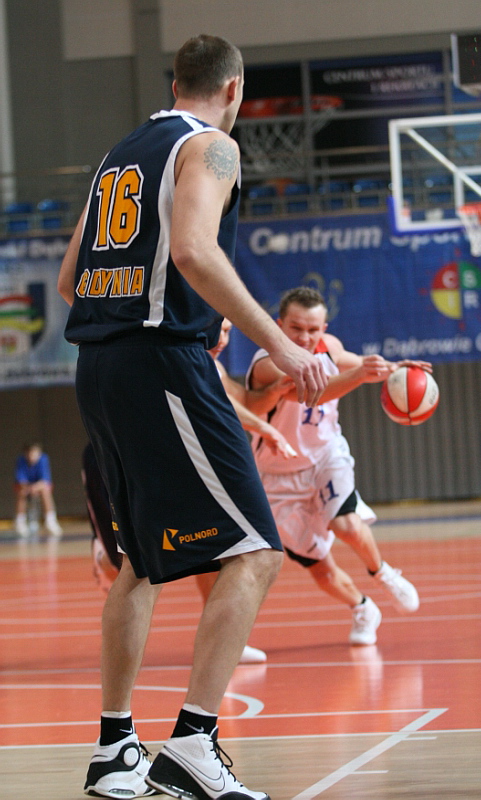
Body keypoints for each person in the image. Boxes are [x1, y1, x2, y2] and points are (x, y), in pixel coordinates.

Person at [58, 34, 326, 800]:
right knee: (257, 551)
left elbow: (72, 278)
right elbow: (193, 252)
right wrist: (281, 346)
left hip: (98, 366)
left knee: (141, 564)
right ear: (233, 89)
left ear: (176, 83)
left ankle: (116, 751)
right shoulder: (211, 146)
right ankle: (193, 743)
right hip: (159, 366)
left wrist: (165, 313)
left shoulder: (119, 154)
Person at [83, 318, 296, 665]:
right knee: (129, 567)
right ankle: (102, 551)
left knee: (219, 550)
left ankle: (224, 637)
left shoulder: (211, 365)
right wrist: (263, 427)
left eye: (229, 330)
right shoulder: (170, 354)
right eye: (220, 328)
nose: (224, 337)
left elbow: (241, 400)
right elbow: (224, 403)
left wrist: (274, 394)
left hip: (174, 460)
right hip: (125, 456)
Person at [247, 286, 432, 646]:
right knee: (321, 568)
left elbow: (355, 362)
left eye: (313, 329)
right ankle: (363, 607)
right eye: (296, 328)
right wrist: (361, 375)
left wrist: (393, 369)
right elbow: (315, 392)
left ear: (324, 328)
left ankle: (383, 573)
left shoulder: (328, 346)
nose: (305, 337)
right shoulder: (268, 364)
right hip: (277, 474)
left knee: (345, 523)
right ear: (279, 325)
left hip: (326, 455)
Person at [13, 442, 63, 537]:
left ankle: (50, 521)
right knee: (21, 492)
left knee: (45, 491)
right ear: (25, 453)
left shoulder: (44, 459)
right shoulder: (20, 460)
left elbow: (45, 481)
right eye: (30, 453)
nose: (32, 456)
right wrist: (29, 488)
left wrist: (35, 488)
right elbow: (20, 481)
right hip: (26, 488)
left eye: (34, 453)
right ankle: (20, 522)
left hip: (39, 487)